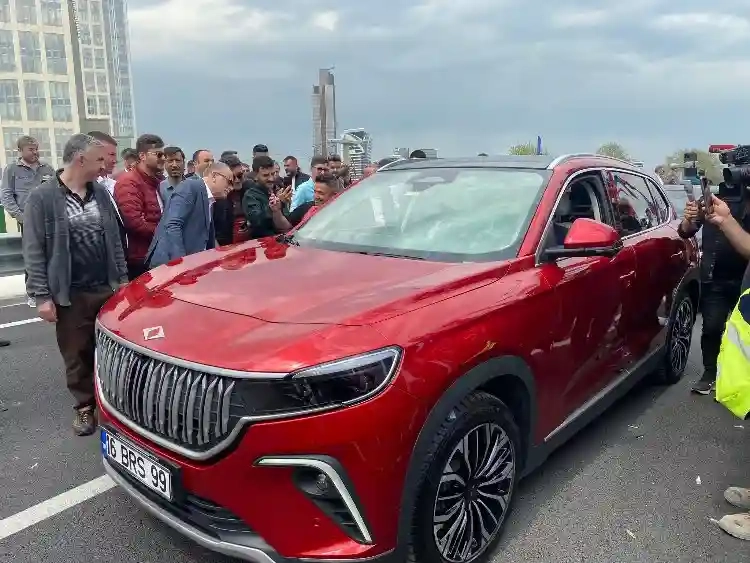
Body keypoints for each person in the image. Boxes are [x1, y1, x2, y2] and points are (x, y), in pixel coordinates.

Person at [22, 133, 127, 436]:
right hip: (71, 293)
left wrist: (122, 280)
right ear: (81, 159)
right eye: (99, 160)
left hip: (106, 288)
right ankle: (84, 407)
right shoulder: (42, 198)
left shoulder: (101, 193)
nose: (104, 166)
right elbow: (33, 250)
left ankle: (115, 404)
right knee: (77, 352)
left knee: (112, 351)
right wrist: (42, 296)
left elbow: (114, 241)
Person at [679, 191, 750, 394]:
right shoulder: (711, 200)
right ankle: (710, 373)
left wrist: (728, 221)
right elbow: (685, 231)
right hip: (714, 278)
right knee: (711, 328)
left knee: (745, 333)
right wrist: (689, 219)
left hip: (745, 280)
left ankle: (740, 379)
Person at [146, 162, 233, 268]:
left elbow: (206, 238)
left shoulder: (209, 198)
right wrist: (181, 263)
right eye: (229, 181)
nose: (231, 187)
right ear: (214, 176)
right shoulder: (190, 187)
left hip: (188, 266)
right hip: (169, 266)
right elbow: (172, 225)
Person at [114, 134, 165, 280]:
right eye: (158, 154)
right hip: (141, 259)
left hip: (158, 254)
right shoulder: (129, 182)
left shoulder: (159, 181)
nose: (163, 158)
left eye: (164, 154)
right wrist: (167, 233)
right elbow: (135, 223)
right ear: (142, 156)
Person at [0, 135, 55, 234]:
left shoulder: (47, 167)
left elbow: (57, 190)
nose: (35, 152)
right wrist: (21, 217)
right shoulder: (11, 169)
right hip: (27, 221)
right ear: (20, 151)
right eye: (31, 149)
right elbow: (6, 195)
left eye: (36, 149)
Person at [270, 173, 339, 231]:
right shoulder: (307, 208)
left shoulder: (342, 214)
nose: (316, 196)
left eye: (321, 193)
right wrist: (276, 211)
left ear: (334, 195)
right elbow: (285, 226)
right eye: (315, 192)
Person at [243, 155, 280, 239]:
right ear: (255, 176)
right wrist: (273, 207)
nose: (271, 178)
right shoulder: (250, 195)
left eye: (273, 174)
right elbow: (257, 222)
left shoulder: (278, 190)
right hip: (263, 242)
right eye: (266, 175)